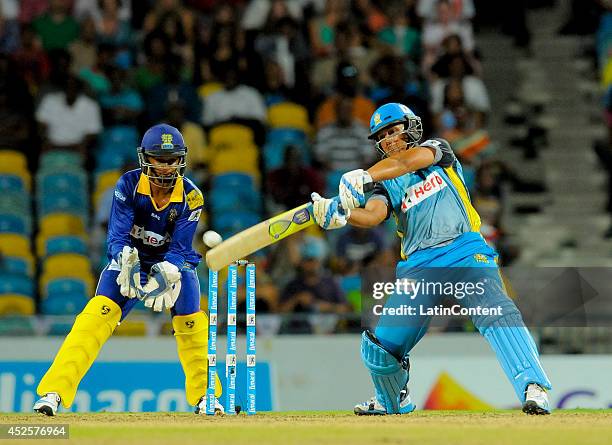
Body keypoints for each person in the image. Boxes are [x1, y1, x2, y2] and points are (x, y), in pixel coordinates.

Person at [310, 103, 552, 415]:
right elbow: (372, 216)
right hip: (419, 267)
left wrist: (364, 176)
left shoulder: (436, 149)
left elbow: (410, 161)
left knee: (498, 314)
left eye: (394, 130)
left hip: (464, 251)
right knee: (380, 349)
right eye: (382, 136)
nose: (389, 139)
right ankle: (391, 400)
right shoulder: (385, 183)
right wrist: (341, 214)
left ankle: (533, 387)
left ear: (411, 127)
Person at [33, 124, 222, 416]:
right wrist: (124, 259)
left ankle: (207, 398)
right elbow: (117, 236)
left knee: (191, 323)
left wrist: (170, 270)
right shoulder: (128, 185)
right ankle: (53, 393)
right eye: (159, 158)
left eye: (172, 159)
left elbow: (181, 246)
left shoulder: (192, 196)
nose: (166, 166)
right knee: (94, 319)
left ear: (181, 159)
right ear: (145, 158)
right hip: (130, 261)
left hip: (173, 264)